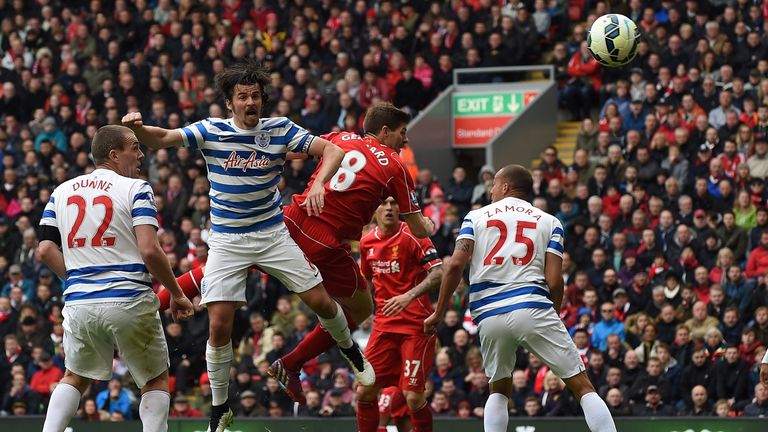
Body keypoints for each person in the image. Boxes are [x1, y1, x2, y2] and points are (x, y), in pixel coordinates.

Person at [121, 60, 371, 432]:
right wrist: (137, 129)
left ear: (262, 100)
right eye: (243, 97)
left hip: (272, 235)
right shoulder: (211, 130)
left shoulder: (280, 129)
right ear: (231, 102)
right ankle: (220, 409)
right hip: (227, 241)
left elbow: (332, 152)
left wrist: (320, 184)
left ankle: (350, 349)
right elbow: (164, 138)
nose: (250, 102)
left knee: (321, 302)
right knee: (219, 327)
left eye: (255, 96)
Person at [153, 103, 435, 405]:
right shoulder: (396, 166)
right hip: (326, 241)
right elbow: (418, 229)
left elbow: (289, 151)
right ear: (385, 131)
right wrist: (429, 223)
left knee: (217, 268)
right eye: (402, 133)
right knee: (361, 307)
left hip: (290, 219)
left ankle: (150, 306)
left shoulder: (340, 138)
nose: (405, 141)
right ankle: (292, 363)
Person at [424, 165, 616, 432]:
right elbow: (554, 280)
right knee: (582, 386)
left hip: (489, 314)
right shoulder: (550, 222)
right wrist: (554, 312)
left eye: (494, 184)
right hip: (532, 306)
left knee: (499, 388)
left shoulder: (474, 217)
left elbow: (455, 265)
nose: (490, 190)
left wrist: (439, 312)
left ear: (505, 187)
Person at [36, 125, 194, 432]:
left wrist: (77, 279)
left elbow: (44, 249)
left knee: (75, 376)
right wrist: (176, 292)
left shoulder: (61, 191)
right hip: (128, 297)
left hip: (80, 302)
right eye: (134, 148)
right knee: (155, 378)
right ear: (113, 154)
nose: (140, 153)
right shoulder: (137, 189)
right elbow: (149, 250)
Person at [355, 197, 443, 432]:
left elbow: (439, 273)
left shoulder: (414, 235)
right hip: (383, 327)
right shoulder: (366, 242)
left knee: (413, 398)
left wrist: (408, 296)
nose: (389, 208)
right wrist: (360, 310)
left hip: (415, 326)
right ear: (374, 209)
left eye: (394, 203)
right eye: (383, 203)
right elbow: (366, 280)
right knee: (365, 389)